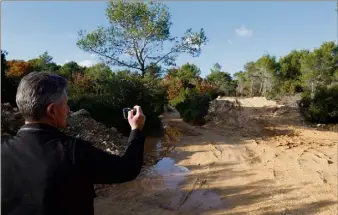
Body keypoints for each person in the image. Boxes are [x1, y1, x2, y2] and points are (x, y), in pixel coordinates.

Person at [1, 72, 146, 215]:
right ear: (52, 110)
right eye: (65, 104)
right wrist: (136, 129)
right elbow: (127, 168)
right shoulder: (74, 152)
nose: (68, 110)